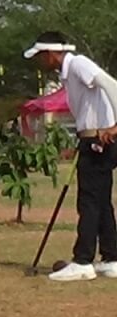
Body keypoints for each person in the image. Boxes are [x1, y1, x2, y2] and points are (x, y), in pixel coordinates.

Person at [25, 32, 117, 282]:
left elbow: (112, 85)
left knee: (88, 201)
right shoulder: (68, 72)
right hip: (92, 138)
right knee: (100, 201)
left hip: (101, 138)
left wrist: (115, 126)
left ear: (51, 54)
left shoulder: (78, 63)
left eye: (41, 58)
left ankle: (83, 261)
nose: (40, 64)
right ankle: (111, 259)